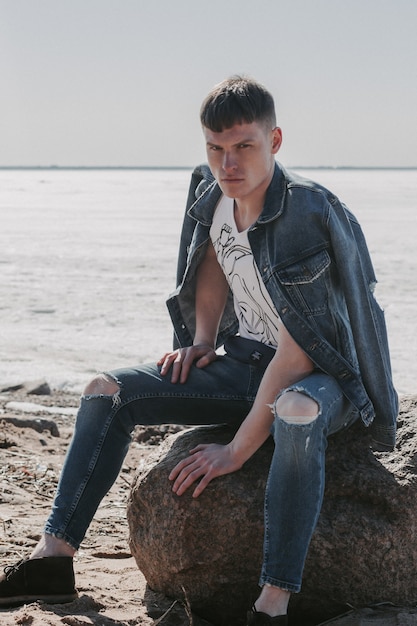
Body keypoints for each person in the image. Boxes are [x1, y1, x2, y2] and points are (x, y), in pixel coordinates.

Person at [0, 76, 398, 625]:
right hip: (242, 361)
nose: (228, 163)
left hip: (322, 374)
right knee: (104, 392)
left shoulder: (305, 214)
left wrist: (235, 451)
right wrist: (203, 341)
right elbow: (211, 260)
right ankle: (54, 557)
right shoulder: (213, 189)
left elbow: (299, 351)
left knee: (296, 411)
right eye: (215, 148)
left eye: (244, 147)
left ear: (274, 140)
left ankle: (273, 604)